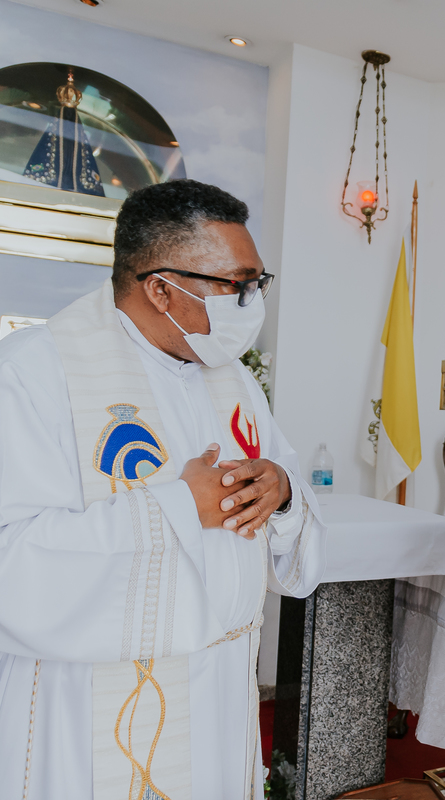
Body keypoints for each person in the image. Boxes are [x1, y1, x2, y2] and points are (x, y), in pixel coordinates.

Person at [0, 179, 325, 799]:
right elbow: (10, 558)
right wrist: (180, 506)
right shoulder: (34, 372)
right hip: (86, 698)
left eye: (257, 283)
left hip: (220, 685)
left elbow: (284, 486)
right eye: (236, 284)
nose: (250, 300)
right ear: (159, 287)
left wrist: (280, 493)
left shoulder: (231, 380)